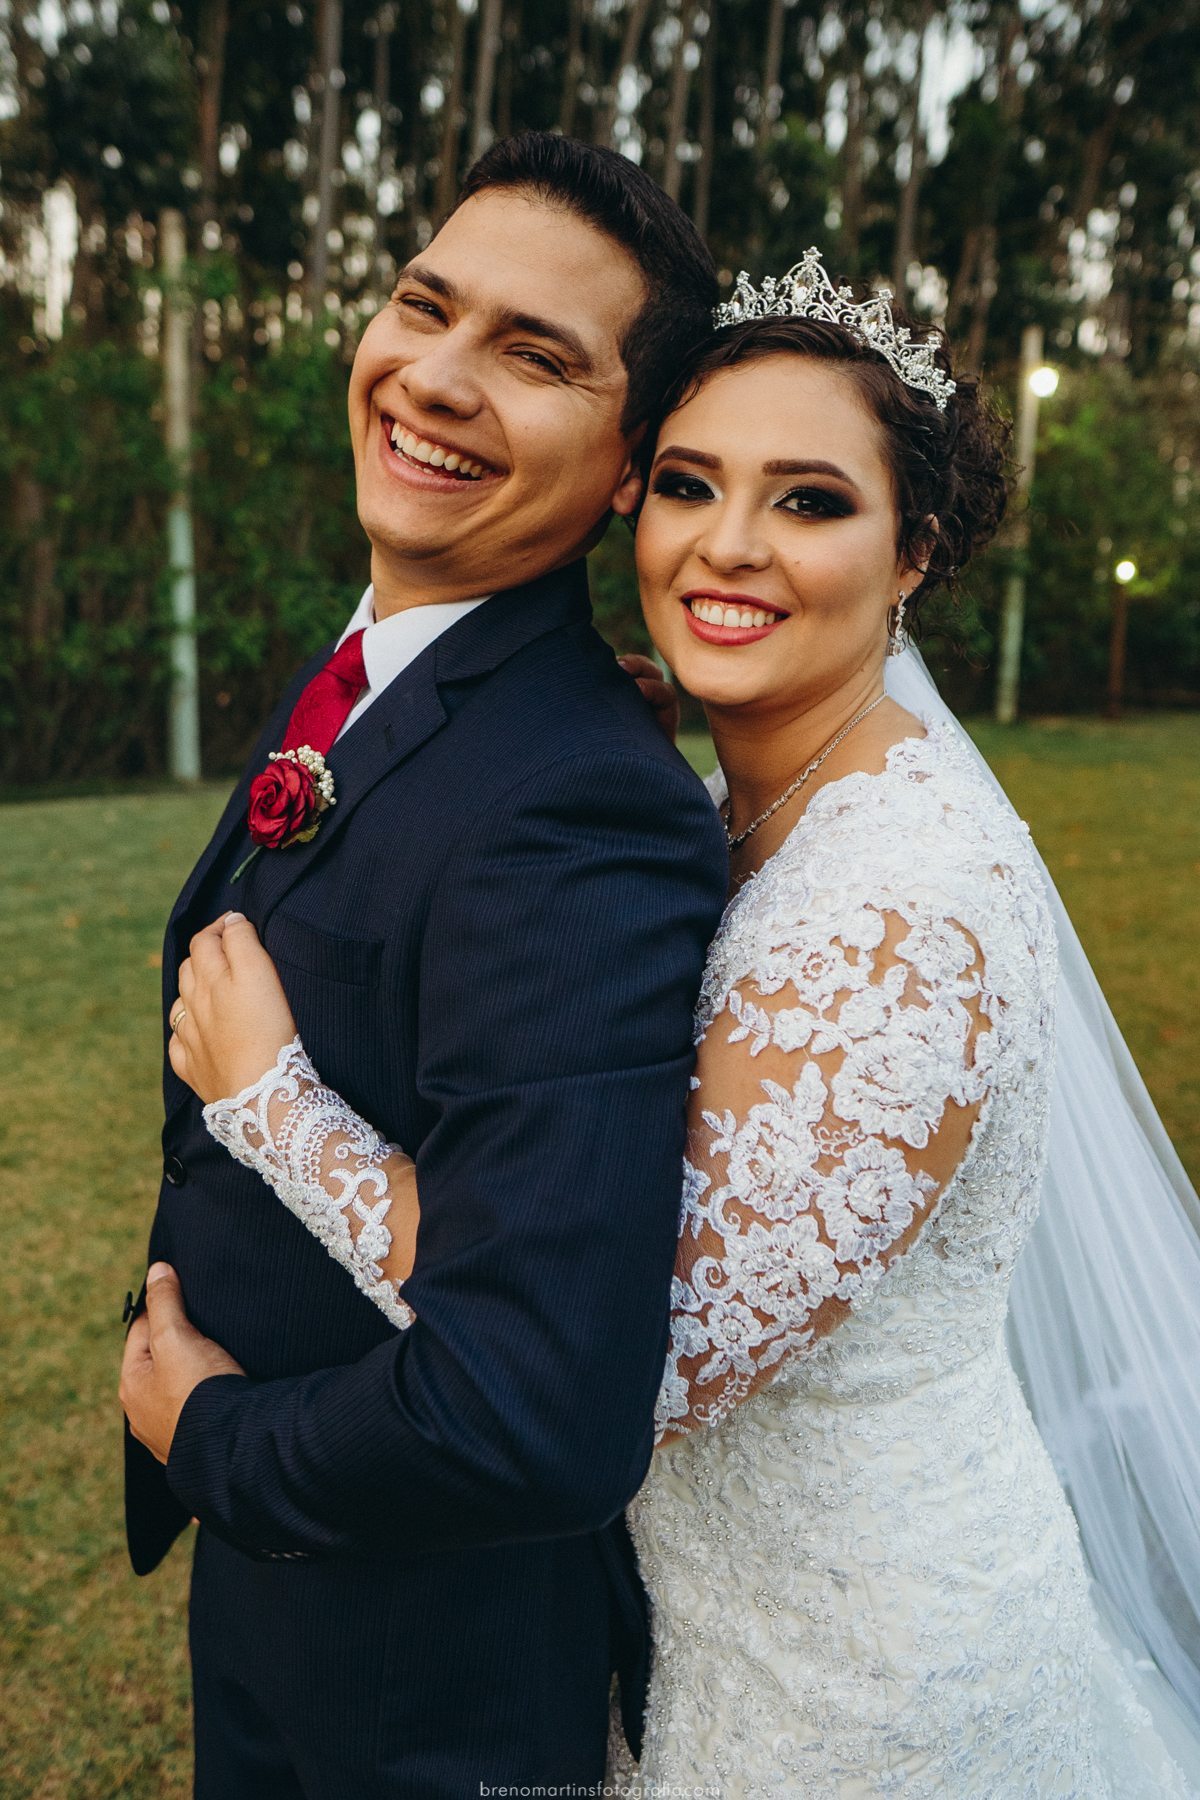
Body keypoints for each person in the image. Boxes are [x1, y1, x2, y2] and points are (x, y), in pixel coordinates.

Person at [163, 253, 1200, 1796]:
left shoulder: (903, 915)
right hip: (697, 1647)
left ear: (913, 550)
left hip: (869, 1698)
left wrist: (277, 1106)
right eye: (689, 483)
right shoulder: (727, 807)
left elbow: (610, 1364)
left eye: (808, 502)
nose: (729, 544)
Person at [117, 131, 729, 1798]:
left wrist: (213, 1440)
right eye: (424, 305)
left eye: (535, 356)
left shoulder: (581, 804)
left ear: (628, 467)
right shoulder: (388, 663)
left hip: (418, 1686)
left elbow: (537, 1407)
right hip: (302, 1628)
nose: (436, 378)